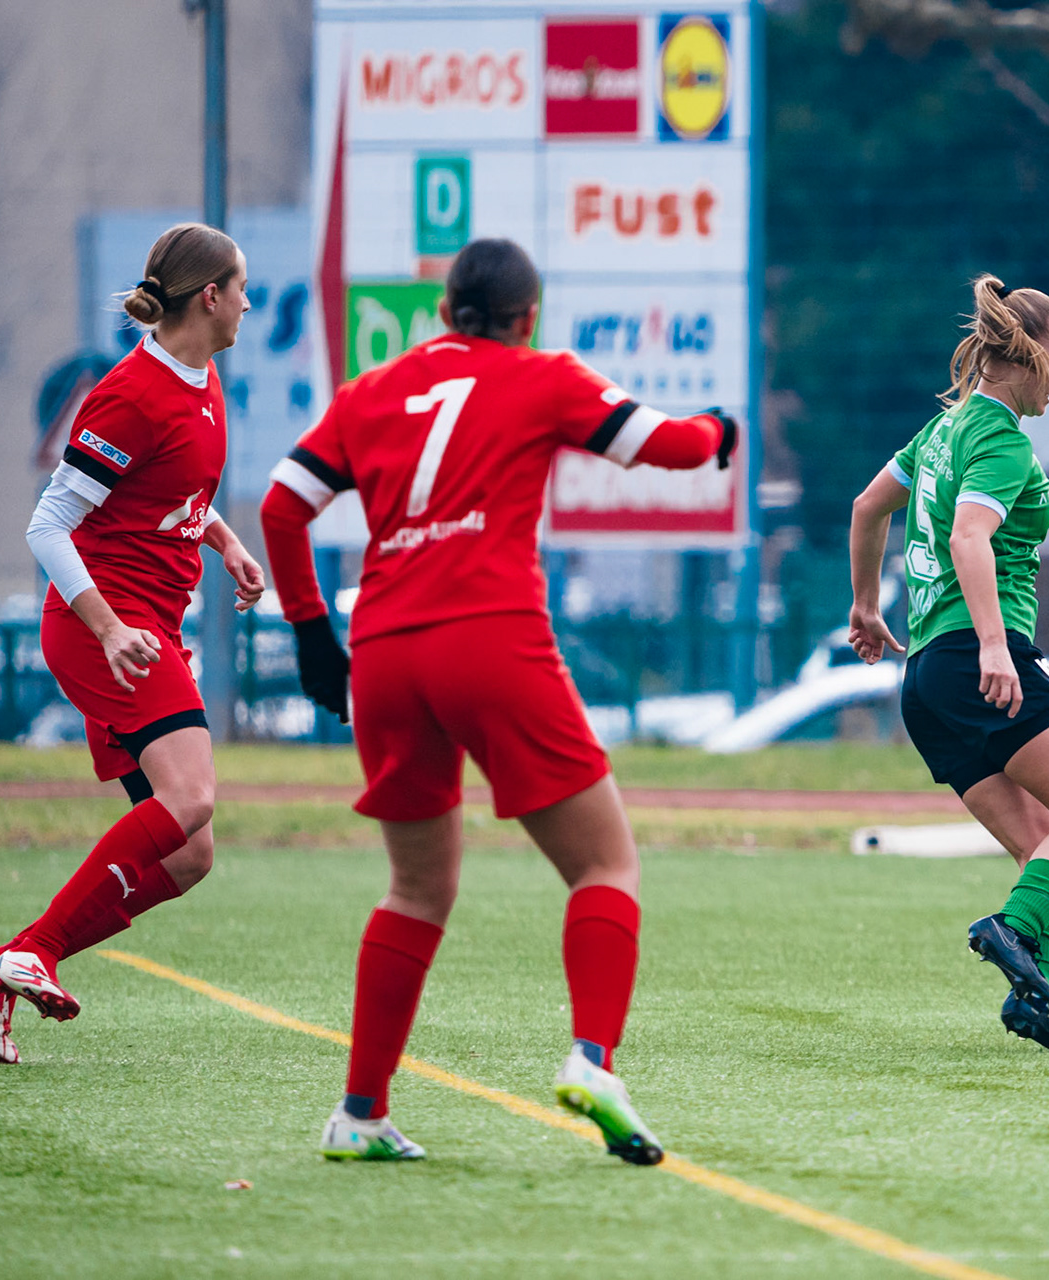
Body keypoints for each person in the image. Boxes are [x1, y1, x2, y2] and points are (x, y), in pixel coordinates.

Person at [259, 238, 736, 1164]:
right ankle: (593, 1061)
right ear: (527, 318)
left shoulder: (372, 390)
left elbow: (283, 506)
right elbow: (666, 448)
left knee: (415, 887)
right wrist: (722, 432)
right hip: (491, 640)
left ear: (443, 313)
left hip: (385, 649)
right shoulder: (541, 375)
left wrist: (312, 634)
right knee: (606, 866)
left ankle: (360, 1113)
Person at [0, 223, 266, 1065]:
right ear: (209, 298)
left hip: (142, 629)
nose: (246, 303)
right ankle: (33, 954)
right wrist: (110, 626)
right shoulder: (132, 394)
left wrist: (223, 541)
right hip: (105, 629)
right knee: (191, 798)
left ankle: (2, 963)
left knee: (192, 854)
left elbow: (168, 492)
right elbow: (48, 524)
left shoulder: (202, 378)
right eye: (241, 288)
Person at [847, 273, 1049, 1053]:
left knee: (1046, 846)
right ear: (1022, 354)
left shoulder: (939, 434)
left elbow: (867, 507)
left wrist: (867, 608)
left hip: (925, 681)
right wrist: (999, 648)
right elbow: (971, 537)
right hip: (979, 659)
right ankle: (1010, 931)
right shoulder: (1000, 437)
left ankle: (1038, 1003)